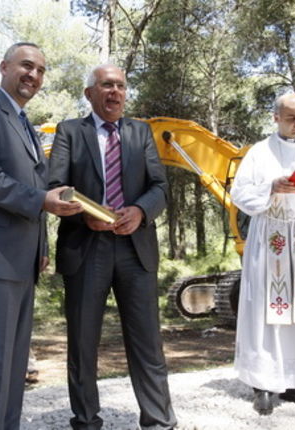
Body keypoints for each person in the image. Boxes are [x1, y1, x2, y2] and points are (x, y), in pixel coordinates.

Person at [0, 42, 82, 429]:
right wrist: (42, 200)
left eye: (41, 70)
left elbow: (34, 183)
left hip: (21, 261)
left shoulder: (25, 123)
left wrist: (41, 247)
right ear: (4, 66)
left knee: (11, 366)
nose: (34, 75)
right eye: (27, 66)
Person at [49, 64, 176, 430]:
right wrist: (82, 216)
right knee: (83, 343)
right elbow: (56, 187)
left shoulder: (141, 132)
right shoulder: (69, 132)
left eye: (120, 86)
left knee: (148, 342)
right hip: (86, 247)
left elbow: (159, 187)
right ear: (90, 93)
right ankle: (86, 421)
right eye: (107, 85)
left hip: (135, 248)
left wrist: (139, 211)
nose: (115, 92)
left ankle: (158, 421)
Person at [230, 93, 295, 416]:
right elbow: (239, 193)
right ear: (275, 117)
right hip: (270, 239)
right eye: (290, 117)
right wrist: (271, 187)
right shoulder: (259, 154)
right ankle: (264, 383)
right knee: (266, 309)